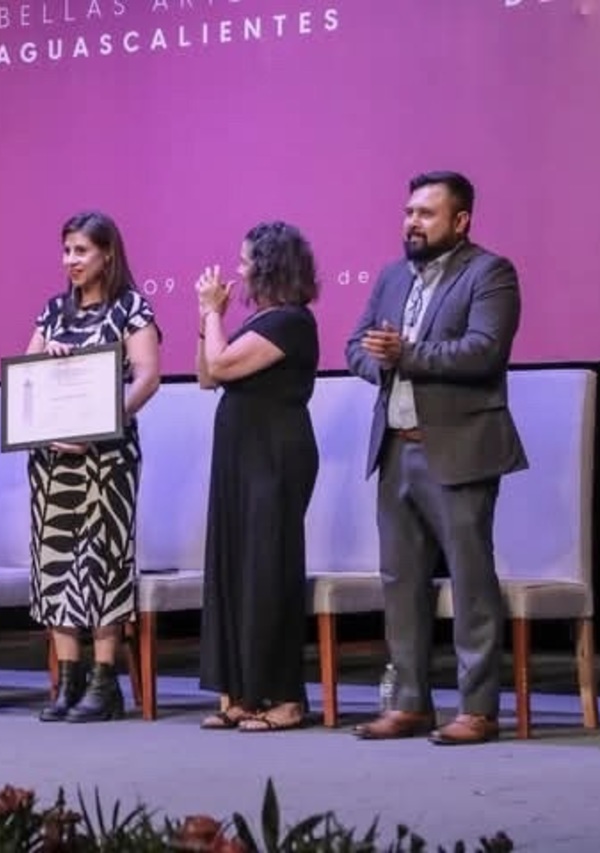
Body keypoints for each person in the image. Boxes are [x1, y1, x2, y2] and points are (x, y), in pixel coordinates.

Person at [345, 171, 527, 745]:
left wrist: (406, 354)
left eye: (425, 214)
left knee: (471, 581)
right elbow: (355, 346)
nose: (412, 223)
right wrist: (380, 361)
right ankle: (410, 703)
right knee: (400, 583)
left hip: (458, 447)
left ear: (461, 220)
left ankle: (478, 708)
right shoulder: (392, 276)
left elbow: (483, 351)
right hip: (395, 448)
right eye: (408, 213)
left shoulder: (489, 272)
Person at [26, 210, 162, 723]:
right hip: (52, 456)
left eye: (81, 250)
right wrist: (46, 357)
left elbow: (147, 377)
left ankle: (106, 682)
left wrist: (103, 423)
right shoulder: (52, 312)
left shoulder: (131, 308)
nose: (71, 260)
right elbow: (25, 377)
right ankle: (68, 679)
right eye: (66, 250)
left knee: (103, 561)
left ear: (107, 254)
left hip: (107, 456)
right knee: (55, 560)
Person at [194, 221, 321, 733]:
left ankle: (286, 698)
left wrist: (211, 313)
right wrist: (209, 319)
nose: (238, 270)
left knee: (268, 569)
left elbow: (222, 367)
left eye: (245, 261)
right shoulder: (258, 322)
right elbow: (207, 376)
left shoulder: (291, 322)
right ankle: (243, 693)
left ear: (268, 267)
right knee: (236, 567)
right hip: (239, 455)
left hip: (274, 455)